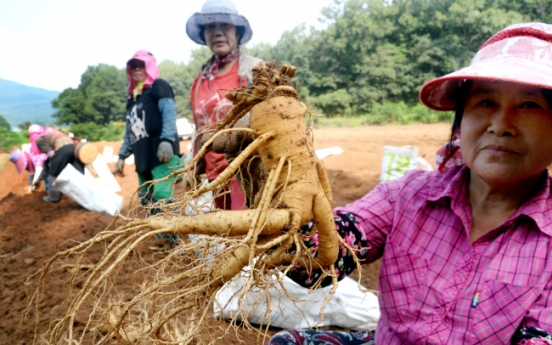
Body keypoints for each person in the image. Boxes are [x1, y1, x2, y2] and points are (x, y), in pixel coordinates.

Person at [265, 22, 552, 344]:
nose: (501, 125)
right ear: (459, 124)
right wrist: (271, 198)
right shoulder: (406, 196)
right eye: (486, 102)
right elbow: (315, 265)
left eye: (530, 105)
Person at [185, 0, 262, 210]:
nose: (217, 32)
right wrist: (194, 164)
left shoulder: (254, 68)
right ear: (204, 34)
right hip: (214, 174)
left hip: (244, 168)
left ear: (237, 32)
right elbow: (200, 126)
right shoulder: (202, 76)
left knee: (245, 230)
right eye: (210, 26)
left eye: (225, 26)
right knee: (226, 234)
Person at [114, 50, 180, 212]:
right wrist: (122, 156)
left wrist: (166, 140)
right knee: (146, 197)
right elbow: (130, 129)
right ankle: (160, 233)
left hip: (162, 152)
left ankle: (175, 235)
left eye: (141, 66)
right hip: (143, 156)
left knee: (162, 195)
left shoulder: (159, 87)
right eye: (134, 67)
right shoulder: (133, 98)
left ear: (149, 67)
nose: (137, 69)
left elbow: (169, 113)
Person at [36, 131, 84, 203]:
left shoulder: (40, 140)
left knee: (53, 173)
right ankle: (81, 196)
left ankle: (53, 198)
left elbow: (51, 156)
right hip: (73, 147)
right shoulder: (56, 136)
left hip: (63, 147)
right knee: (77, 173)